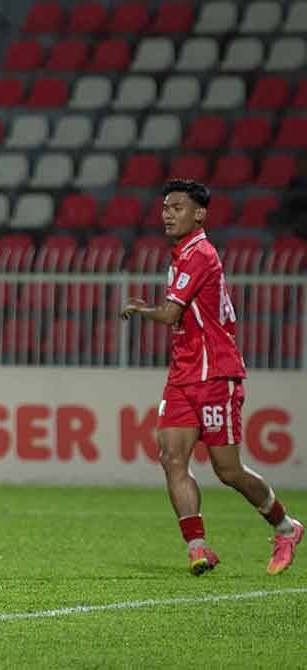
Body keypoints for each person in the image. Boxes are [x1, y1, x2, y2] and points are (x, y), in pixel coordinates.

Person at [121, 179, 302, 576]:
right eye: (165, 207)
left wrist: (140, 308)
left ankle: (286, 528)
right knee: (171, 457)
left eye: (178, 207)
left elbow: (170, 314)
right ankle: (198, 548)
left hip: (216, 373)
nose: (168, 213)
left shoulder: (200, 253)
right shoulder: (180, 254)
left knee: (228, 470)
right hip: (183, 373)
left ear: (199, 214)